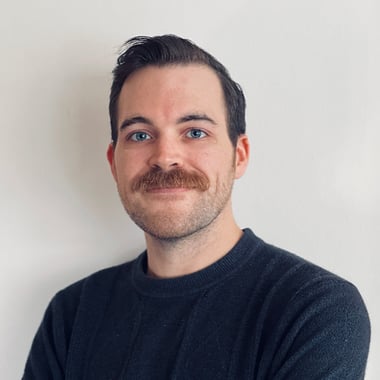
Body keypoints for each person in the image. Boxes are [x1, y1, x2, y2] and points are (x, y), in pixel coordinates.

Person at [23, 35, 370, 379]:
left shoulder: (313, 310)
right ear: (114, 163)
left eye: (195, 132)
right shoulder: (71, 316)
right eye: (140, 135)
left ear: (239, 155)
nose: (165, 157)